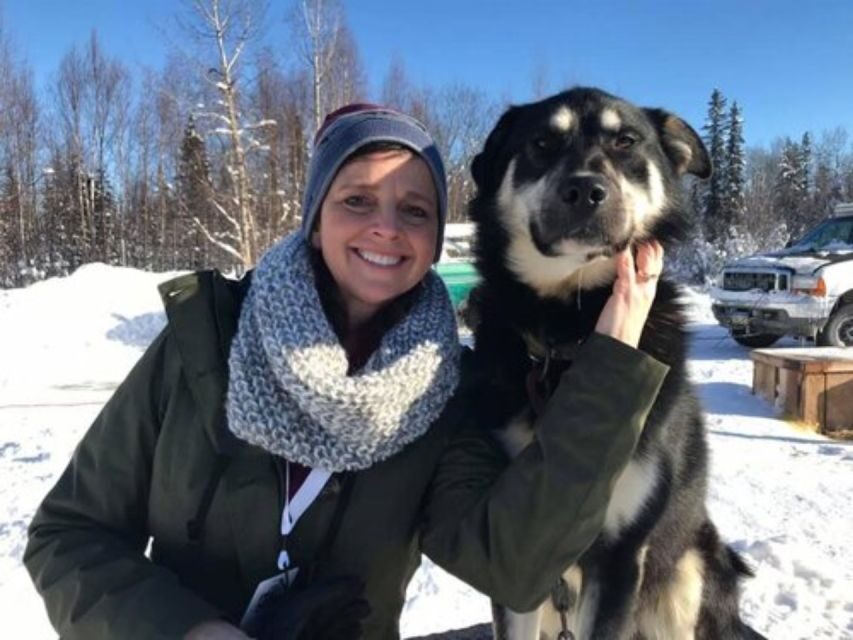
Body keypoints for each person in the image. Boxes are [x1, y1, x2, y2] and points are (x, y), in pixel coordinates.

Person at [24, 104, 669, 640]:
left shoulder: (446, 393)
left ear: (436, 237)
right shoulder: (205, 344)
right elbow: (69, 535)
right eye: (358, 199)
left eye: (415, 210)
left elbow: (517, 564)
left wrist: (611, 364)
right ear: (315, 215)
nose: (386, 229)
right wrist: (189, 632)